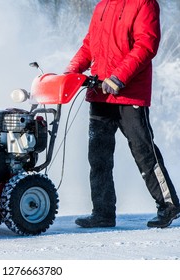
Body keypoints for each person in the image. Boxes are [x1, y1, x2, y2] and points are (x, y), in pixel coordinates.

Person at [65, 0, 180, 228]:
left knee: (143, 151)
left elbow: (146, 45)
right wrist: (72, 70)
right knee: (98, 157)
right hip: (99, 93)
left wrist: (118, 77)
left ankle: (169, 205)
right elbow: (90, 44)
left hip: (129, 94)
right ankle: (103, 213)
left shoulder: (144, 3)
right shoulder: (102, 5)